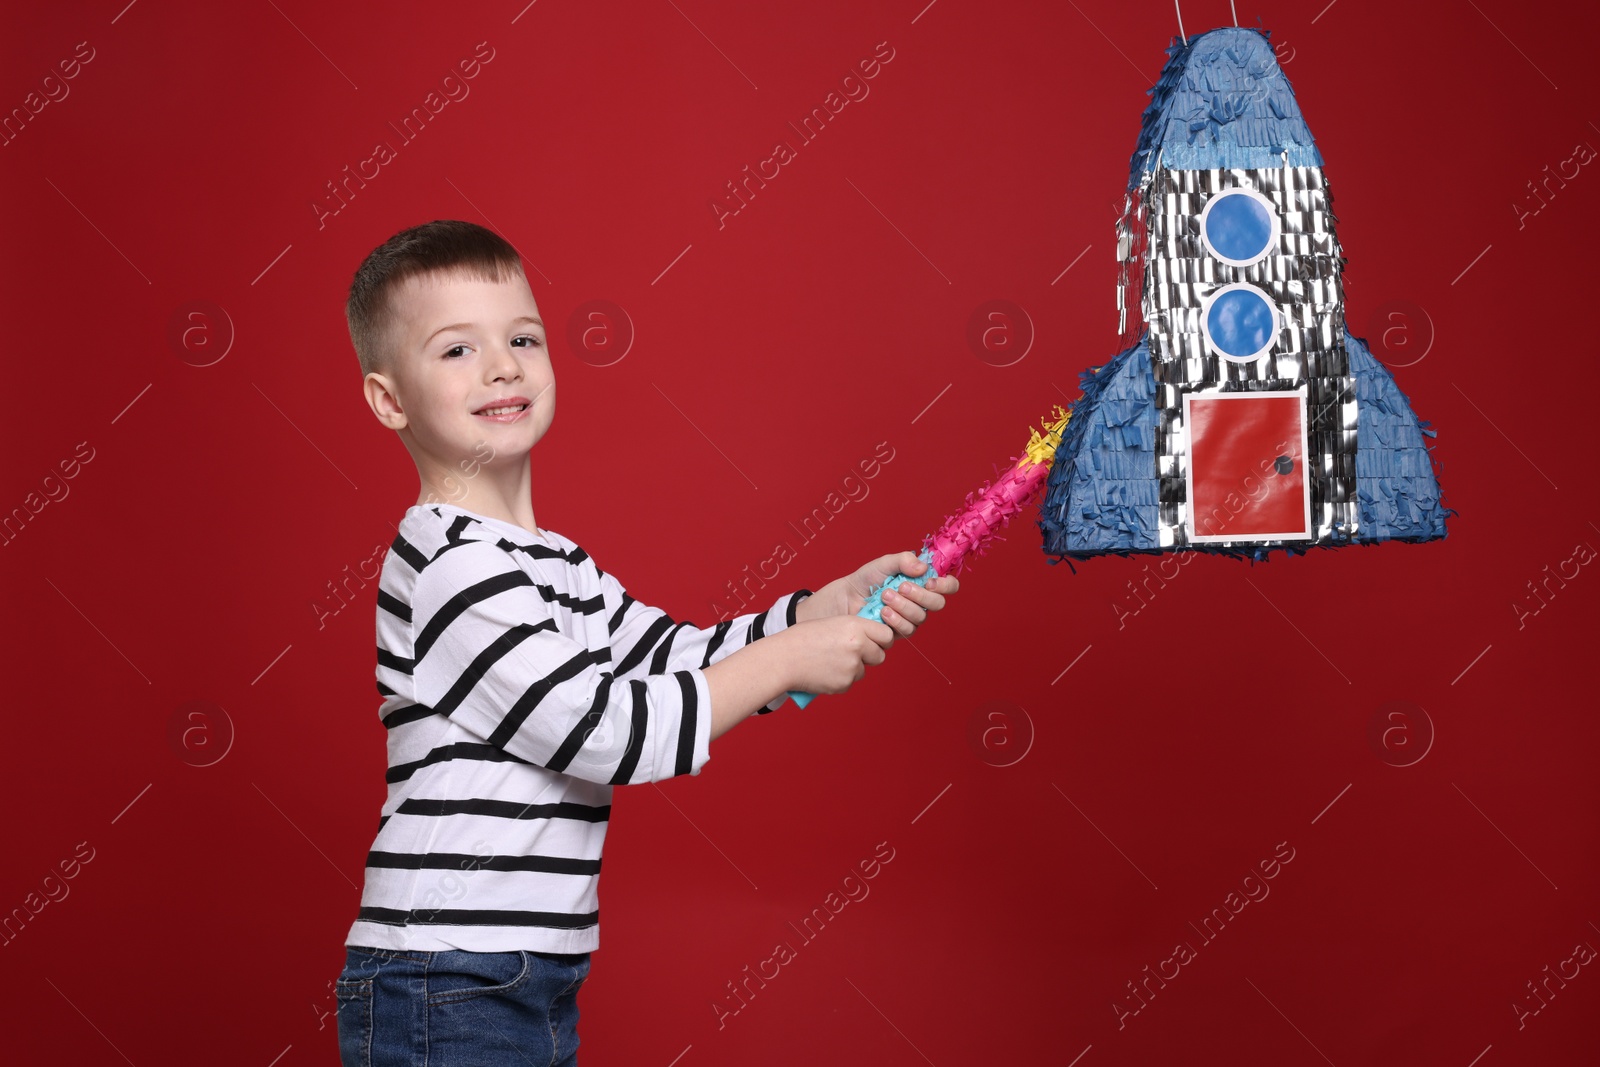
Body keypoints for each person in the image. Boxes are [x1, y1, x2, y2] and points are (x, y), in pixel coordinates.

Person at [333, 219, 958, 1065]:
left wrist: (811, 613)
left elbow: (674, 655)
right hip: (446, 971)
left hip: (523, 970)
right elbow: (607, 734)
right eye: (456, 350)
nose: (503, 366)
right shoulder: (452, 566)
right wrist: (787, 662)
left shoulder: (557, 563)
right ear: (388, 399)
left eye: (522, 336)